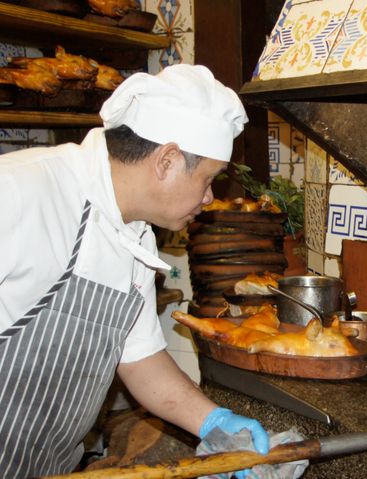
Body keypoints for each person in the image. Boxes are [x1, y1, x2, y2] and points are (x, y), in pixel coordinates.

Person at [0, 64, 269, 478]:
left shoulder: (137, 233)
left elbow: (139, 356)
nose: (210, 196)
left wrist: (213, 421)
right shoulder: (19, 192)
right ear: (167, 160)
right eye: (208, 179)